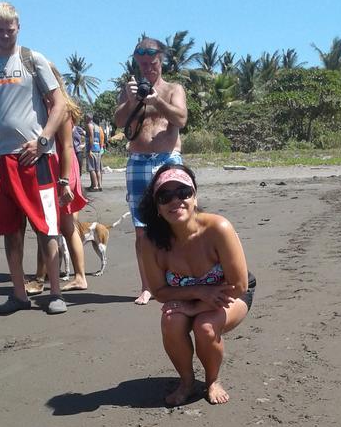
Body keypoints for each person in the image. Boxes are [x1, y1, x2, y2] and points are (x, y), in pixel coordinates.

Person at [0, 1, 66, 315]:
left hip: (35, 160)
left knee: (46, 226)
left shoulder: (32, 59)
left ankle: (55, 293)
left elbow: (59, 104)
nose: (4, 35)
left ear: (18, 27)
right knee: (10, 230)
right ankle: (18, 294)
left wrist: (42, 140)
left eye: (9, 29)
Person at [138, 164, 255, 407]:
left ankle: (213, 380)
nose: (176, 201)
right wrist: (198, 293)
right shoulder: (150, 242)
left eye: (183, 193)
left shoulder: (217, 228)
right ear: (157, 206)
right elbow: (159, 292)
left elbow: (240, 285)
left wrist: (194, 309)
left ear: (195, 197)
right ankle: (187, 381)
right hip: (189, 295)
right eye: (165, 196)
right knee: (171, 322)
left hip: (231, 292)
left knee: (205, 326)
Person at [114, 37, 187, 305]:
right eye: (143, 64)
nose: (148, 69)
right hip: (139, 162)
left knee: (177, 222)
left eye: (152, 63)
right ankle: (147, 286)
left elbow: (181, 119)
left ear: (161, 61)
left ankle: (179, 279)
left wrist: (158, 101)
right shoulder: (130, 90)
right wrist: (133, 100)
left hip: (168, 159)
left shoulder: (173, 89)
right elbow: (120, 122)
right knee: (142, 229)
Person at [25, 69, 89, 294]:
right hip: (59, 170)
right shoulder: (47, 106)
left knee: (57, 225)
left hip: (62, 170)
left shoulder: (58, 108)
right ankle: (48, 276)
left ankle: (63, 277)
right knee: (59, 225)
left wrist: (64, 181)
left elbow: (68, 146)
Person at [85, 113, 104, 192]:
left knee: (92, 169)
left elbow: (91, 136)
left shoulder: (89, 125)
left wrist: (89, 149)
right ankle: (99, 185)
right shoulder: (98, 127)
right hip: (98, 149)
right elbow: (101, 138)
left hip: (92, 149)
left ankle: (95, 186)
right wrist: (101, 148)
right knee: (98, 169)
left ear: (87, 118)